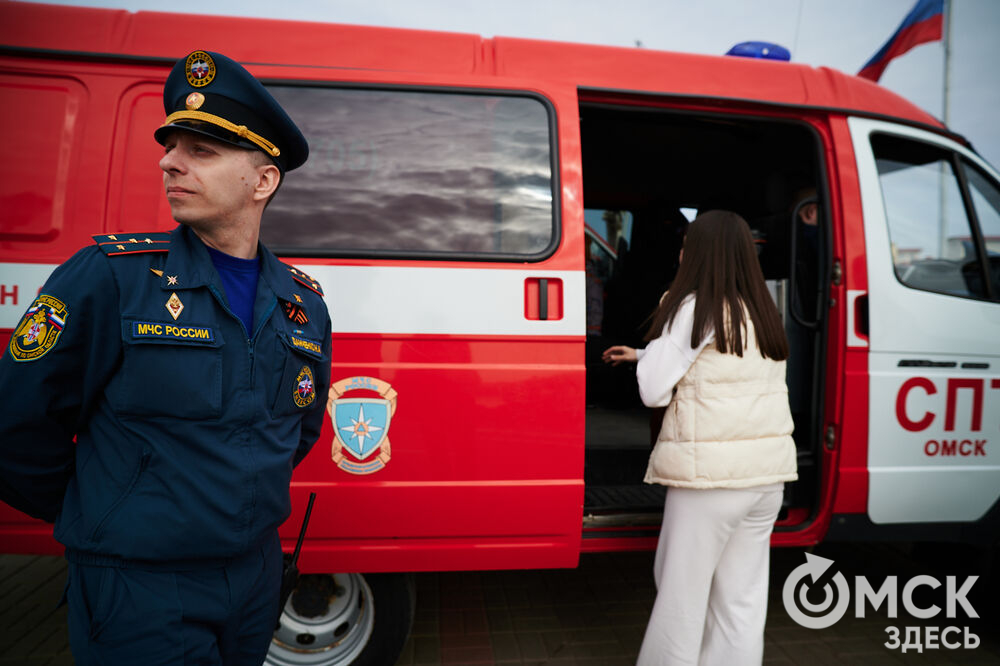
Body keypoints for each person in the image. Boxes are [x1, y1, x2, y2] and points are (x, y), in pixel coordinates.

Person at [0, 50, 332, 665]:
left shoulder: (302, 304)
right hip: (139, 585)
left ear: (263, 181)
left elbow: (295, 433)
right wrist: (106, 512)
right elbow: (15, 425)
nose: (169, 162)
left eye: (201, 150)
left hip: (255, 578)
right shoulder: (110, 277)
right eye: (172, 147)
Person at [602, 210, 797, 665]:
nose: (680, 251)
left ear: (700, 254)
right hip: (765, 481)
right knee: (740, 602)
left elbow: (654, 391)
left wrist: (651, 358)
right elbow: (718, 360)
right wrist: (645, 353)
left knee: (681, 602)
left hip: (710, 483)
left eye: (687, 243)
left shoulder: (692, 306)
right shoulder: (761, 311)